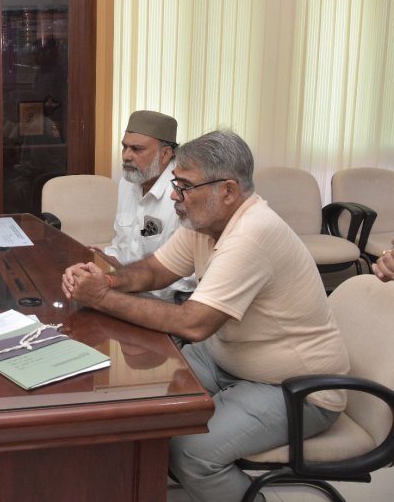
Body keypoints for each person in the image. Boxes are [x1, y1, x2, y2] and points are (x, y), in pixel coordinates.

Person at [62, 130, 349, 501]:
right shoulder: (205, 222)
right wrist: (108, 280)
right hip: (228, 360)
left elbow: (193, 323)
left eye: (184, 186)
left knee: (190, 453)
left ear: (227, 191)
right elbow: (154, 271)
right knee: (137, 403)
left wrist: (101, 297)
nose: (174, 195)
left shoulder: (252, 234)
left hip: (296, 389)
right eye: (176, 183)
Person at [98, 110, 195, 301]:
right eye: (124, 147)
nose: (126, 156)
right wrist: (102, 266)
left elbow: (188, 275)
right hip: (125, 289)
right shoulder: (128, 182)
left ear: (165, 154)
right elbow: (121, 245)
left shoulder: (184, 192)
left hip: (165, 301)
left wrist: (130, 285)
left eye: (137, 149)